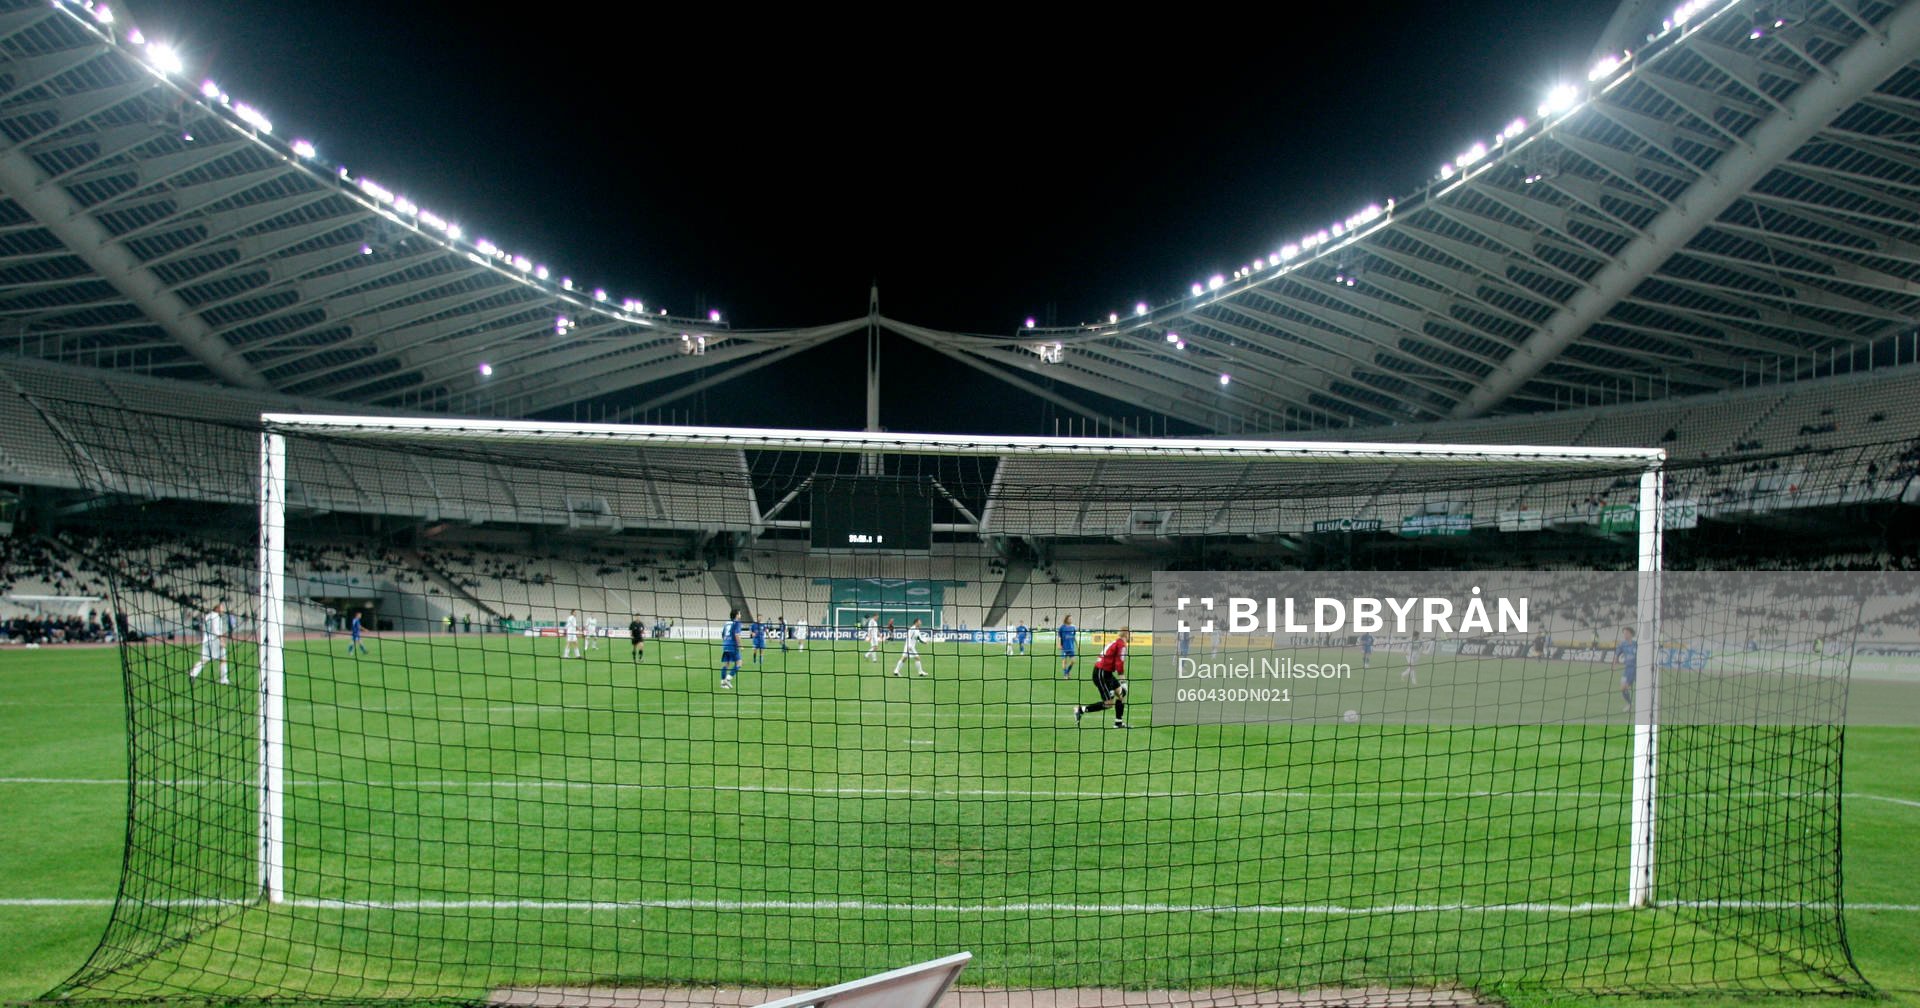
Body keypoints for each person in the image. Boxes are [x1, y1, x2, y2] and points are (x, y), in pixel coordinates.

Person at [1072, 626, 1130, 728]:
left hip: (1105, 673)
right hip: (1101, 674)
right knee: (1109, 703)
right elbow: (1119, 664)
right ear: (1127, 633)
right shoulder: (1121, 645)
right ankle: (1081, 709)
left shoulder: (1115, 642)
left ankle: (1118, 722)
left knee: (1121, 695)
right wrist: (1123, 682)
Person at [187, 600, 230, 684]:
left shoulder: (207, 616)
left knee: (204, 660)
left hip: (206, 640)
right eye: (222, 608)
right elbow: (216, 630)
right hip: (215, 640)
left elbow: (204, 628)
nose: (223, 610)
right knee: (223, 659)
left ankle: (193, 674)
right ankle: (223, 679)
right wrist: (221, 640)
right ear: (217, 608)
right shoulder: (216, 616)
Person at [719, 609, 743, 688]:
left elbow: (722, 635)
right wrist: (740, 645)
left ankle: (722, 683)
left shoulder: (726, 623)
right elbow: (737, 635)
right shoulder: (737, 623)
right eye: (739, 614)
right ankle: (728, 679)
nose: (740, 615)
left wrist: (726, 642)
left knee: (726, 664)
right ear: (736, 615)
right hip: (733, 646)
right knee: (739, 663)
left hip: (725, 645)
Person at [1617, 626, 1638, 713]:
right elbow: (1617, 653)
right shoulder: (1622, 644)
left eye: (1626, 633)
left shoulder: (1636, 644)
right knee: (1622, 687)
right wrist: (1614, 663)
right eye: (1624, 633)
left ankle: (1643, 705)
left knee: (1642, 688)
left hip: (1637, 669)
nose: (1624, 635)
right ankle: (1629, 704)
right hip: (1627, 669)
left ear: (1630, 634)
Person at [1057, 614, 1078, 679]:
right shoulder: (1062, 627)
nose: (1071, 620)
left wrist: (1077, 645)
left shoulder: (1073, 627)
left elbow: (1074, 637)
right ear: (1066, 619)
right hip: (1064, 648)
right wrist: (1059, 644)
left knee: (1073, 661)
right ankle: (1065, 674)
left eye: (1071, 619)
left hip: (1071, 648)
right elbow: (1059, 637)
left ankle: (1067, 672)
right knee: (1064, 661)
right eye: (1070, 619)